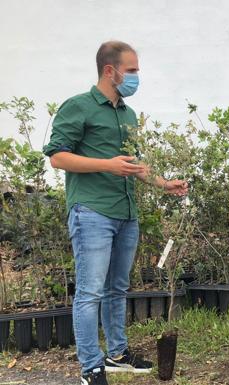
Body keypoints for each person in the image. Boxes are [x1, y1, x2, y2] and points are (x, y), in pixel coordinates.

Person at [43, 41, 188, 385]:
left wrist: (163, 183)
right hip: (92, 211)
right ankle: (91, 368)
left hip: (126, 213)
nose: (137, 76)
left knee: (117, 288)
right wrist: (106, 165)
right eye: (132, 70)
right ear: (111, 70)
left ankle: (117, 354)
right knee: (90, 291)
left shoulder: (127, 114)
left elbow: (132, 165)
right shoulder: (78, 107)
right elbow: (58, 157)